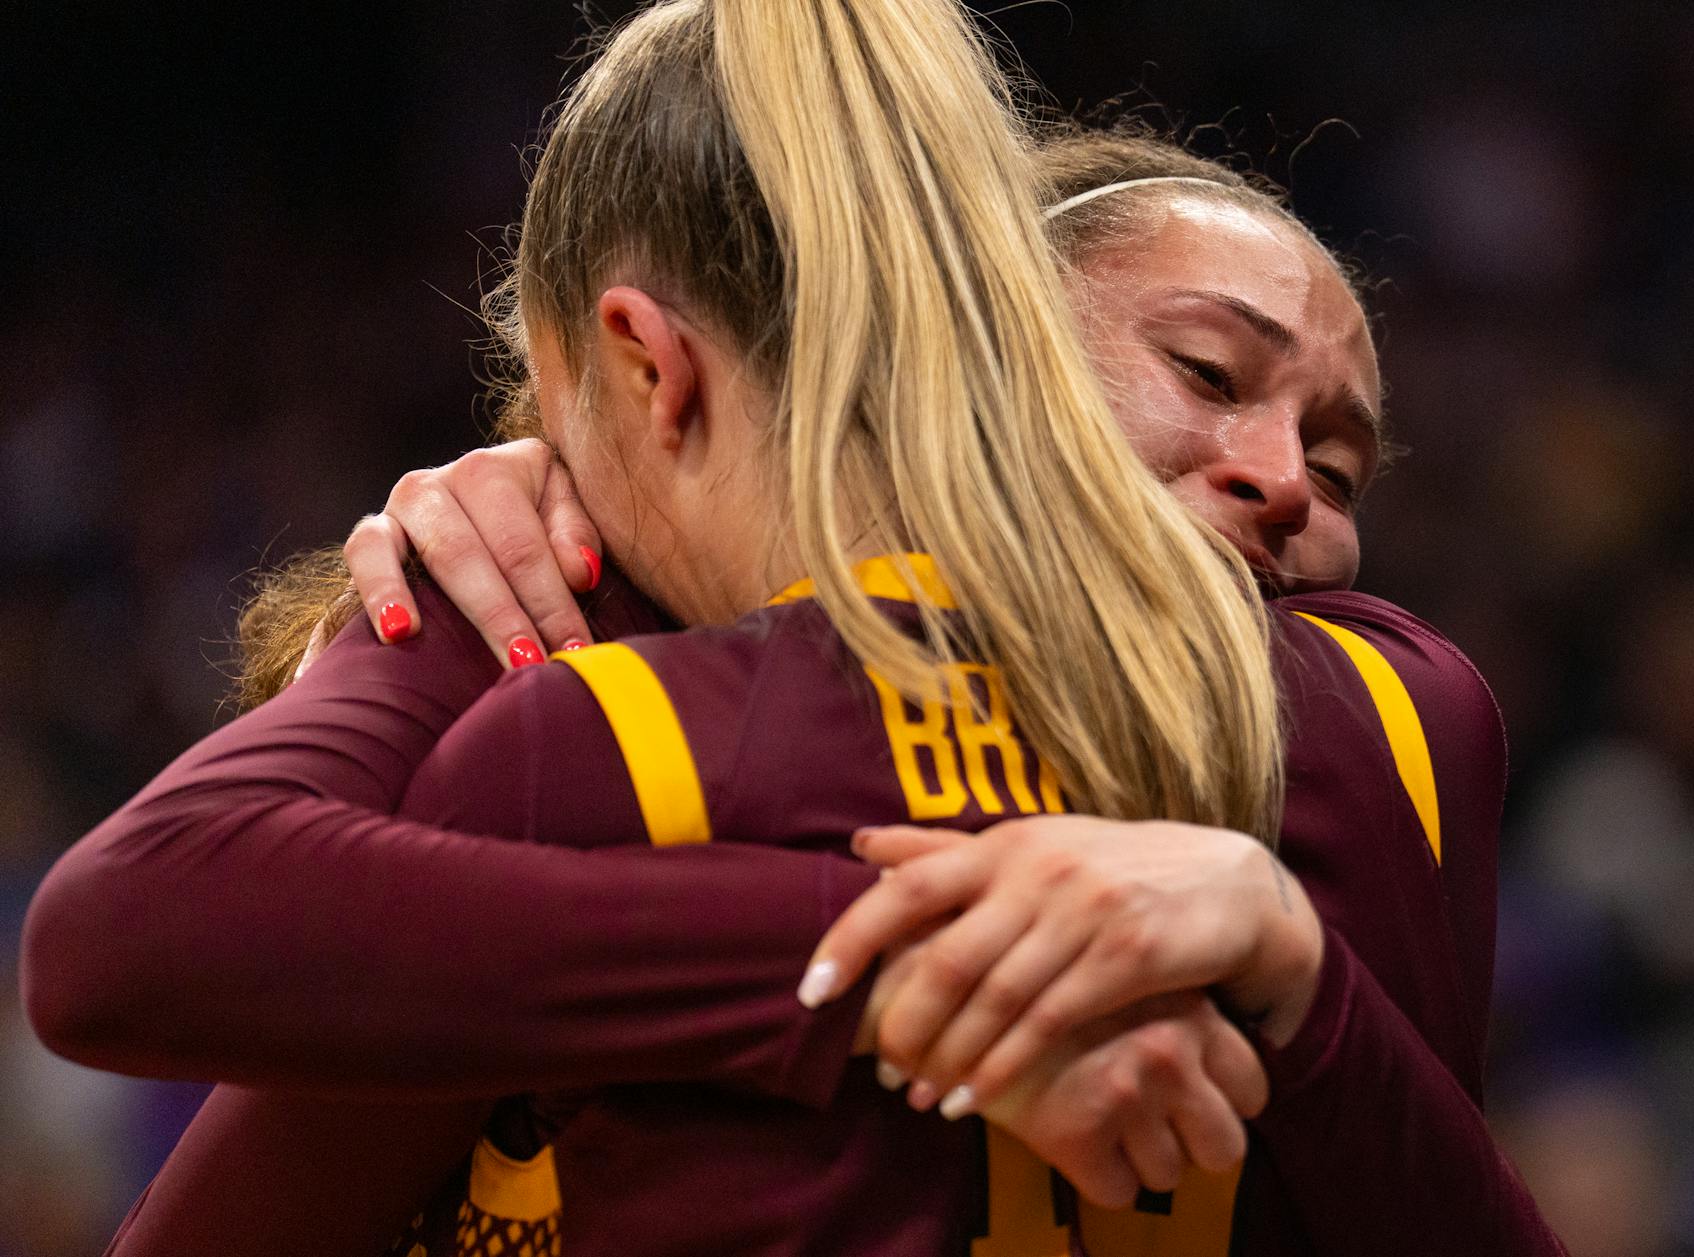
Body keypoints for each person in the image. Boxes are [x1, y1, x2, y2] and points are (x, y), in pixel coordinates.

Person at [24, 7, 1555, 1254]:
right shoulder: (1399, 727)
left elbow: (131, 956)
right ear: (984, 352)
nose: (1284, 480)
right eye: (1208, 373)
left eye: (1342, 468)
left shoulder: (568, 724)